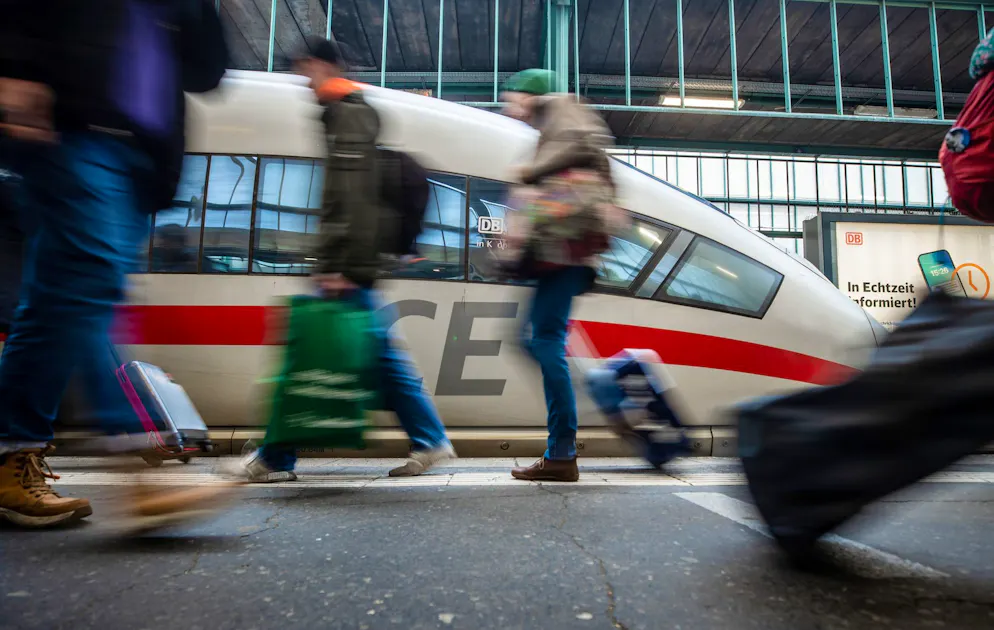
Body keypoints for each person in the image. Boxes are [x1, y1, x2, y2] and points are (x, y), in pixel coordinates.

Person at [0, 0, 233, 528]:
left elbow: (206, 71)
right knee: (93, 284)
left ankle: (10, 462)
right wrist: (14, 66)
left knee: (56, 303)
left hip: (141, 155)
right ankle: (141, 473)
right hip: (69, 124)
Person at [233, 36, 456, 482]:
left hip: (346, 265)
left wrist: (340, 267)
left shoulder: (349, 114)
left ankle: (276, 457)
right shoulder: (343, 113)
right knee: (380, 357)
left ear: (320, 64)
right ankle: (431, 440)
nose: (300, 79)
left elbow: (352, 200)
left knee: (306, 357)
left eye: (303, 68)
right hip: (351, 262)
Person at [500, 70, 618, 483]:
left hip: (563, 255)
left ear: (533, 95)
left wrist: (528, 173)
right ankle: (564, 445)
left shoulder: (561, 113)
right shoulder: (556, 125)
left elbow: (570, 158)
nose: (510, 108)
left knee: (542, 340)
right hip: (562, 255)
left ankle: (564, 449)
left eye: (513, 99)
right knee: (537, 339)